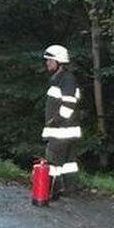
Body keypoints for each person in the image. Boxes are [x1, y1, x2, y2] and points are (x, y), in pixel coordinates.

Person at [41, 45, 81, 202]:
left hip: (61, 131)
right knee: (68, 163)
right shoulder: (61, 79)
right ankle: (70, 190)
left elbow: (69, 104)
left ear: (59, 62)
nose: (48, 64)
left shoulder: (66, 79)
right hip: (67, 131)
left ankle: (52, 192)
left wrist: (54, 122)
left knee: (53, 161)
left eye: (50, 60)